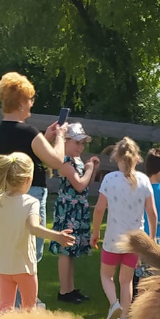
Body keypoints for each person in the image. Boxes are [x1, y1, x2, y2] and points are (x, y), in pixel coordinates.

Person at [0, 72, 71, 291]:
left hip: (9, 196)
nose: (31, 104)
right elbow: (56, 160)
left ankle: (17, 300)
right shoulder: (28, 132)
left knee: (14, 249)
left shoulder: (1, 131)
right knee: (30, 253)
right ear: (20, 102)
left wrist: (45, 138)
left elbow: (25, 154)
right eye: (29, 99)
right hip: (32, 193)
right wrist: (61, 136)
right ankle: (25, 303)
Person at [0, 153, 74, 312]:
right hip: (25, 268)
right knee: (29, 309)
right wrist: (57, 236)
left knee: (4, 308)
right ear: (28, 179)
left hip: (4, 268)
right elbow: (34, 228)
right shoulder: (31, 203)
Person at [91, 137, 157, 319]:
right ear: (137, 158)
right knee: (126, 281)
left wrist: (95, 231)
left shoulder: (109, 179)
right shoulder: (144, 180)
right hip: (134, 241)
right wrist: (151, 239)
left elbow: (99, 209)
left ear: (116, 157)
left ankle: (114, 303)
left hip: (112, 238)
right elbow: (152, 212)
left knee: (106, 275)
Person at [50, 122, 99, 304]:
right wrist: (89, 169)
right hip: (68, 209)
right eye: (77, 143)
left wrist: (90, 169)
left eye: (82, 143)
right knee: (66, 250)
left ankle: (70, 289)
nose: (80, 147)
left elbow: (85, 183)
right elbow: (79, 184)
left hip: (77, 208)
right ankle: (64, 291)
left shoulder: (76, 161)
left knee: (72, 251)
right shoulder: (64, 161)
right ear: (66, 141)